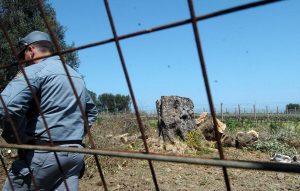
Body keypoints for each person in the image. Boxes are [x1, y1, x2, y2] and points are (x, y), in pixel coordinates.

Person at [0, 31, 98, 190]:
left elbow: (7, 106)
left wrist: (17, 137)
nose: (24, 62)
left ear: (31, 50)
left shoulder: (35, 71)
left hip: (42, 155)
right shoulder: (74, 75)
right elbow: (91, 112)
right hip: (74, 156)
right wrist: (72, 136)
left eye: (23, 55)